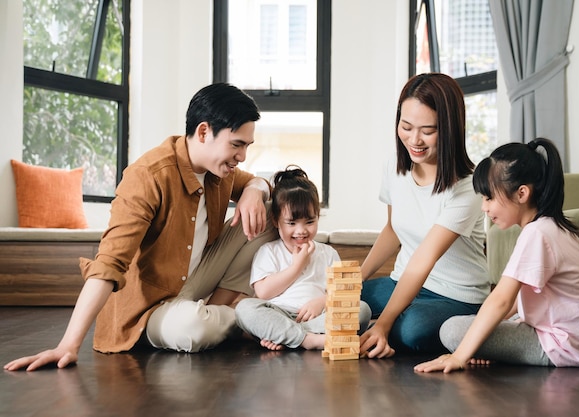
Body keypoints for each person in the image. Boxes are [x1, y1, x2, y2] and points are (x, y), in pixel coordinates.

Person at [4, 82, 279, 371]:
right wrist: (67, 345)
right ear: (203, 132)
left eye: (247, 146)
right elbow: (108, 264)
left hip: (196, 284)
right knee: (193, 329)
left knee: (274, 211)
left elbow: (259, 183)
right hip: (150, 308)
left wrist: (255, 190)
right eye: (236, 145)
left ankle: (224, 312)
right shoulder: (148, 177)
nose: (242, 156)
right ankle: (249, 318)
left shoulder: (220, 169)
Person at [415, 138, 579, 373]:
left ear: (522, 193)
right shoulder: (552, 228)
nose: (484, 207)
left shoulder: (538, 234)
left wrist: (459, 356)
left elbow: (501, 300)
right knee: (480, 326)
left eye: (489, 197)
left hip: (559, 347)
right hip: (571, 342)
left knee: (451, 329)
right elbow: (513, 303)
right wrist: (482, 341)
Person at [359, 73, 491, 358]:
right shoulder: (395, 166)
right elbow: (392, 230)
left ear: (450, 129)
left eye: (427, 131)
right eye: (406, 127)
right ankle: (376, 325)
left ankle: (378, 328)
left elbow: (425, 258)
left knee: (411, 331)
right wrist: (354, 280)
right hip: (401, 282)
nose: (414, 140)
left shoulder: (469, 186)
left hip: (455, 295)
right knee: (341, 303)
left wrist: (382, 324)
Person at [235, 165, 372, 351]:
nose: (301, 231)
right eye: (291, 223)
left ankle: (286, 336)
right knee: (244, 309)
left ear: (317, 217)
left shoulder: (328, 253)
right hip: (279, 313)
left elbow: (343, 292)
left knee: (362, 309)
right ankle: (309, 340)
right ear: (276, 221)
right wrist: (296, 267)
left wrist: (323, 301)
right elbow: (264, 293)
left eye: (309, 222)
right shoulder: (268, 251)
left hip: (318, 317)